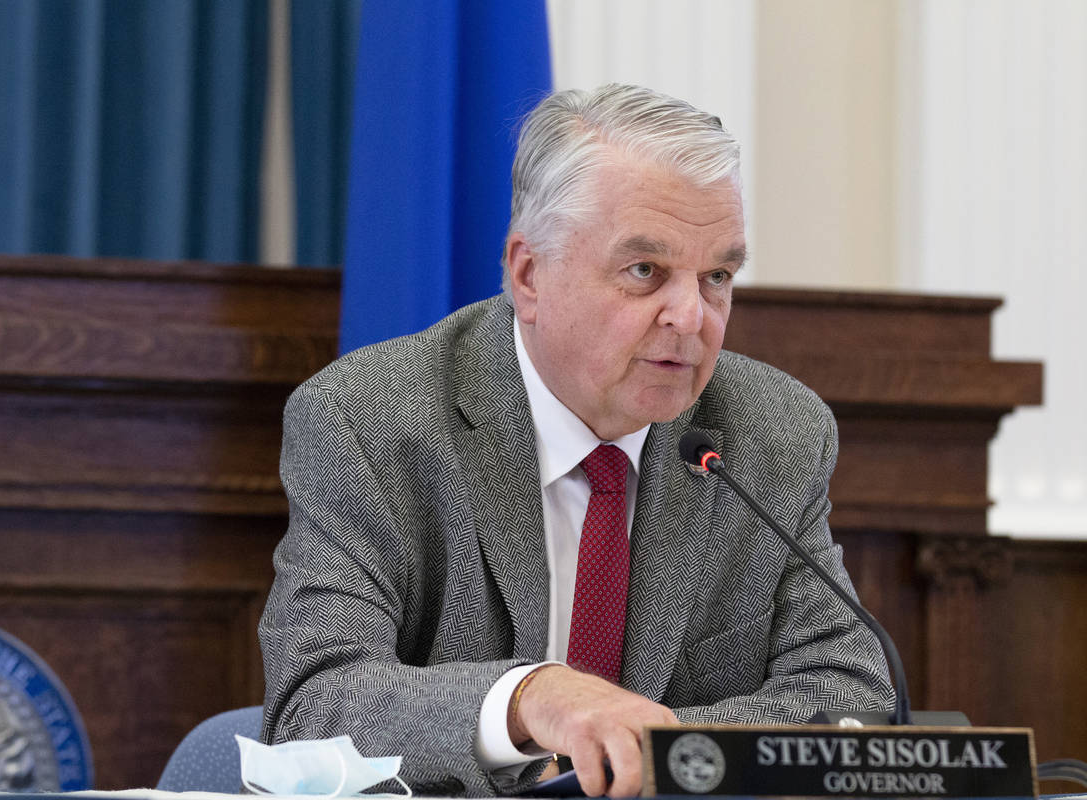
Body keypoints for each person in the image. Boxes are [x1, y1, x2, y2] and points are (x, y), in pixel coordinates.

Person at [259, 84, 892, 798]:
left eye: (717, 276)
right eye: (645, 271)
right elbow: (315, 702)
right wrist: (535, 700)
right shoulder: (371, 421)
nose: (691, 317)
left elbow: (848, 693)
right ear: (530, 275)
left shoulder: (772, 432)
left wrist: (646, 751)